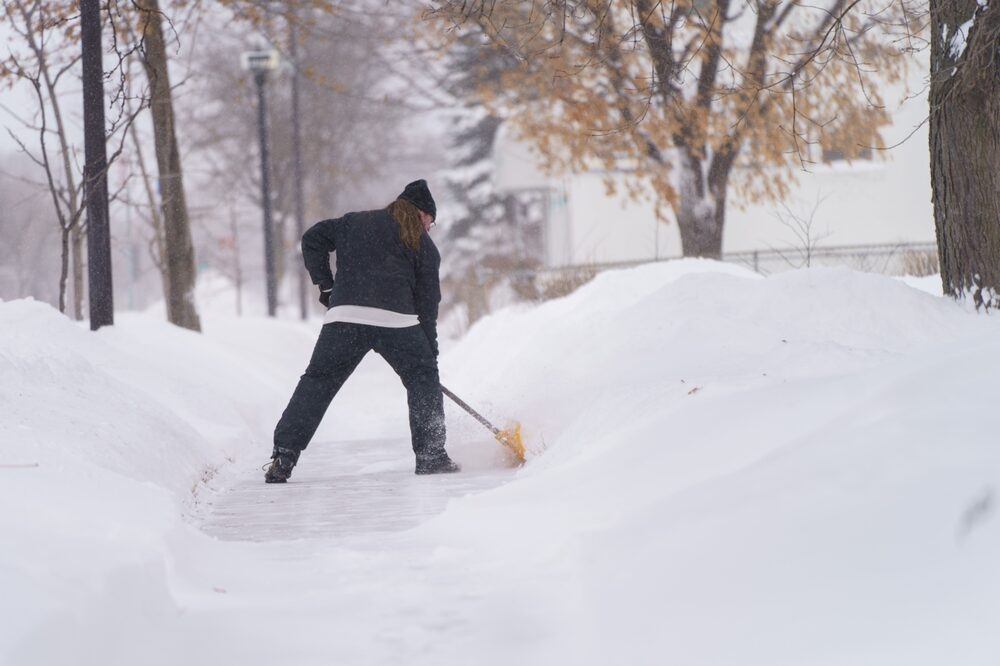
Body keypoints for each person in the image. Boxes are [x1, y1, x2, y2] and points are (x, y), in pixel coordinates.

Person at [264, 179, 459, 483]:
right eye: (429, 223)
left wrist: (326, 284)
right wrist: (427, 355)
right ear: (421, 213)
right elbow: (427, 304)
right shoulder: (424, 247)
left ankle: (284, 456)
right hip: (398, 321)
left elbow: (312, 238)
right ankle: (431, 456)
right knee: (422, 380)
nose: (428, 229)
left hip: (346, 317)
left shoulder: (354, 222)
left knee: (318, 382)